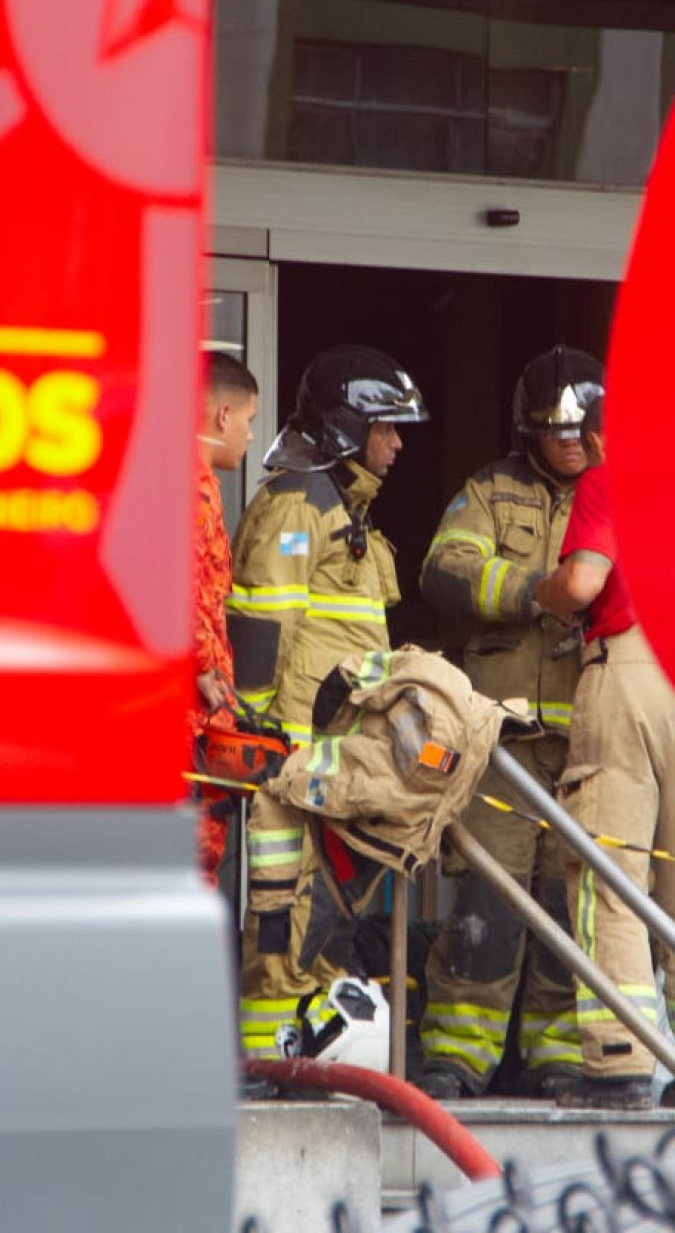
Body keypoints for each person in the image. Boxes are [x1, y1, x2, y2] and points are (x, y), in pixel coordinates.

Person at [533, 394, 675, 1109]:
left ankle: (619, 1061)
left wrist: (546, 592)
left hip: (630, 672)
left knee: (609, 869)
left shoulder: (609, 479)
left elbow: (585, 581)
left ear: (600, 436)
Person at [227, 343, 429, 1062]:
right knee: (284, 915)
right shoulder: (297, 504)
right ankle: (270, 1062)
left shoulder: (343, 508)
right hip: (288, 757)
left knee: (320, 920)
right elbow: (260, 625)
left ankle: (301, 1057)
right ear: (349, 426)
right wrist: (253, 727)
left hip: (329, 757)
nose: (398, 444)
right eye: (387, 428)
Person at [414, 346, 602, 1100]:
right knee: (488, 898)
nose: (567, 441)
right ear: (527, 430)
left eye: (578, 428)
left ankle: (558, 1053)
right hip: (505, 744)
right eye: (552, 429)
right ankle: (459, 1053)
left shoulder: (622, 495)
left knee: (568, 900)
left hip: (589, 742)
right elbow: (445, 570)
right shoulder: (491, 490)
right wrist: (537, 591)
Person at [191, 350, 260, 880]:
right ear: (222, 417)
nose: (250, 436)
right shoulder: (189, 488)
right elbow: (177, 587)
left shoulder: (199, 485)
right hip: (187, 716)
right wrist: (202, 664)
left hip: (201, 713)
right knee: (190, 860)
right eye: (249, 421)